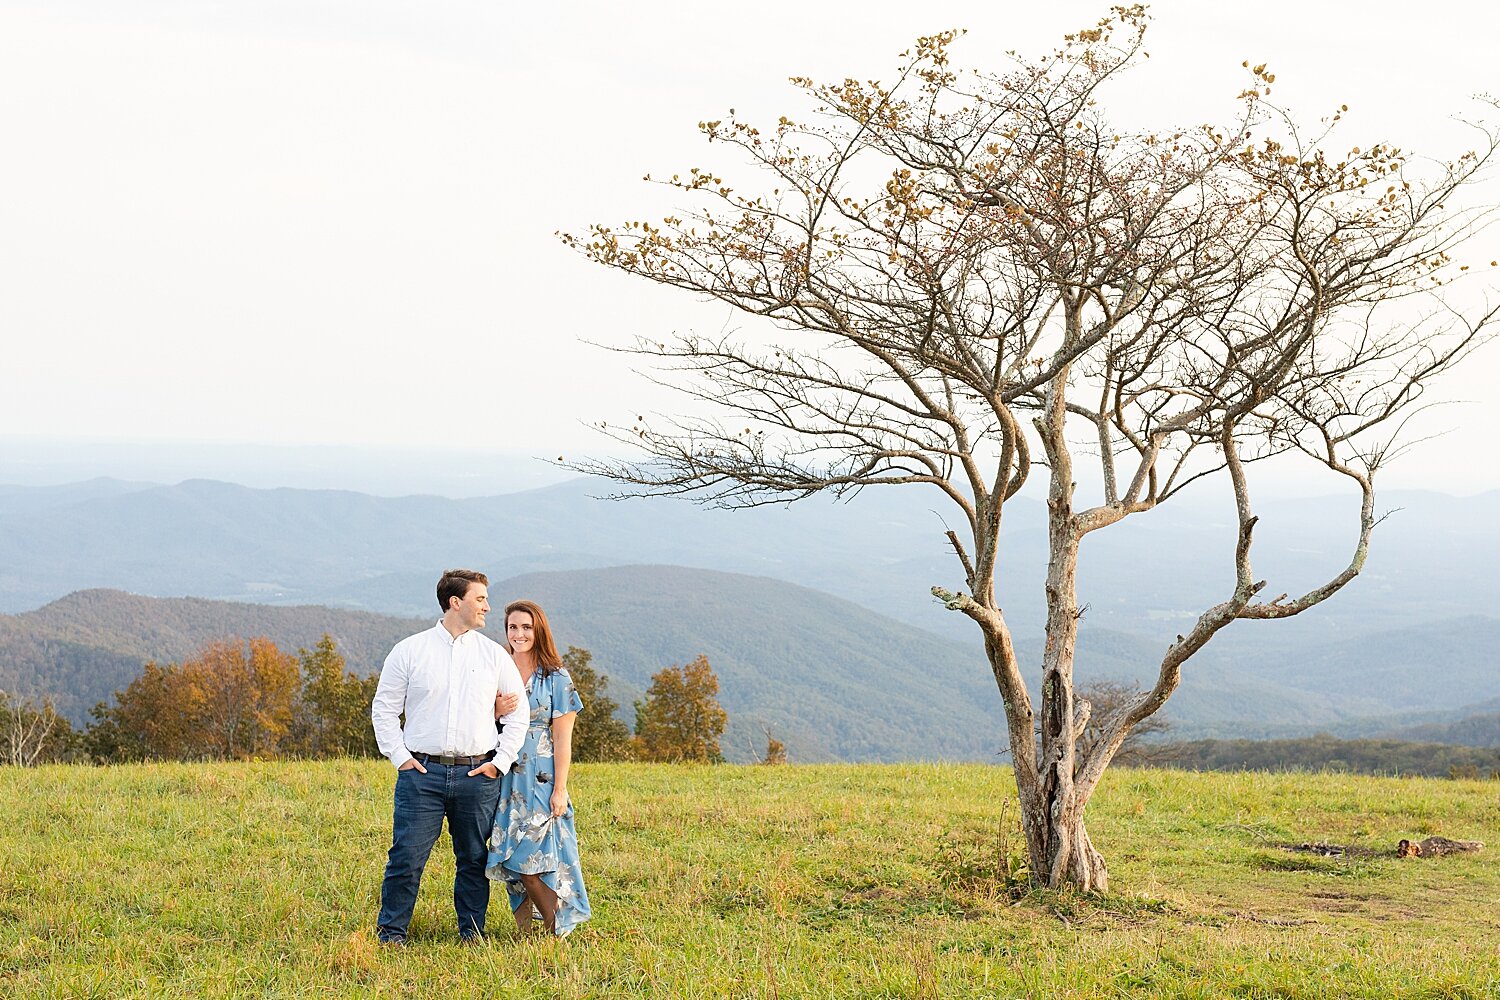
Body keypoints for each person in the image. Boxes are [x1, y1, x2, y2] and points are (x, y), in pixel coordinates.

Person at [370, 569, 529, 946]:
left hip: (478, 773)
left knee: (474, 860)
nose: (487, 607)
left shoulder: (492, 655)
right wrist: (400, 757)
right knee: (406, 858)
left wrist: (500, 762)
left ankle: (472, 934)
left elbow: (518, 713)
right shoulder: (410, 651)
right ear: (455, 603)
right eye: (480, 599)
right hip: (421, 773)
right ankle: (392, 934)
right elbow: (384, 709)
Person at [486, 599, 592, 937]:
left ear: (539, 630)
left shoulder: (557, 678)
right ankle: (524, 933)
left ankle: (553, 929)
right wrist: (495, 710)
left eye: (526, 627)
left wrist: (560, 789)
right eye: (513, 627)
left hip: (541, 779)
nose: (519, 634)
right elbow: (473, 723)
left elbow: (563, 740)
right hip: (504, 778)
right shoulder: (496, 669)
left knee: (531, 859)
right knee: (510, 858)